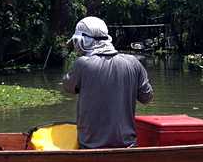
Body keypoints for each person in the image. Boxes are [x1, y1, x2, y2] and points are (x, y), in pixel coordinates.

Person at [62, 16, 154, 148]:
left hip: (89, 146)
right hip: (128, 146)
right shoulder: (134, 63)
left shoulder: (82, 64)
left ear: (83, 42)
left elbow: (68, 87)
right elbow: (147, 97)